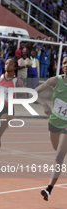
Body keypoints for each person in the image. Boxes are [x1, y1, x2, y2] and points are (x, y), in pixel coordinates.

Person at [36, 56, 67, 201]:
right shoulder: (56, 80)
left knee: (59, 156)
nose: (66, 65)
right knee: (58, 151)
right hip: (54, 122)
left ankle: (49, 189)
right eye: (65, 63)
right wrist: (44, 104)